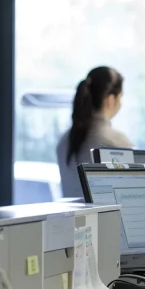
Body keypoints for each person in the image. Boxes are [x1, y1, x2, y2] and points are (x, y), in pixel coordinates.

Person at [56, 66, 132, 198]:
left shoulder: (64, 142)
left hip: (72, 219)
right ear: (111, 99)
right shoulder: (116, 142)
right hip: (107, 219)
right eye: (120, 97)